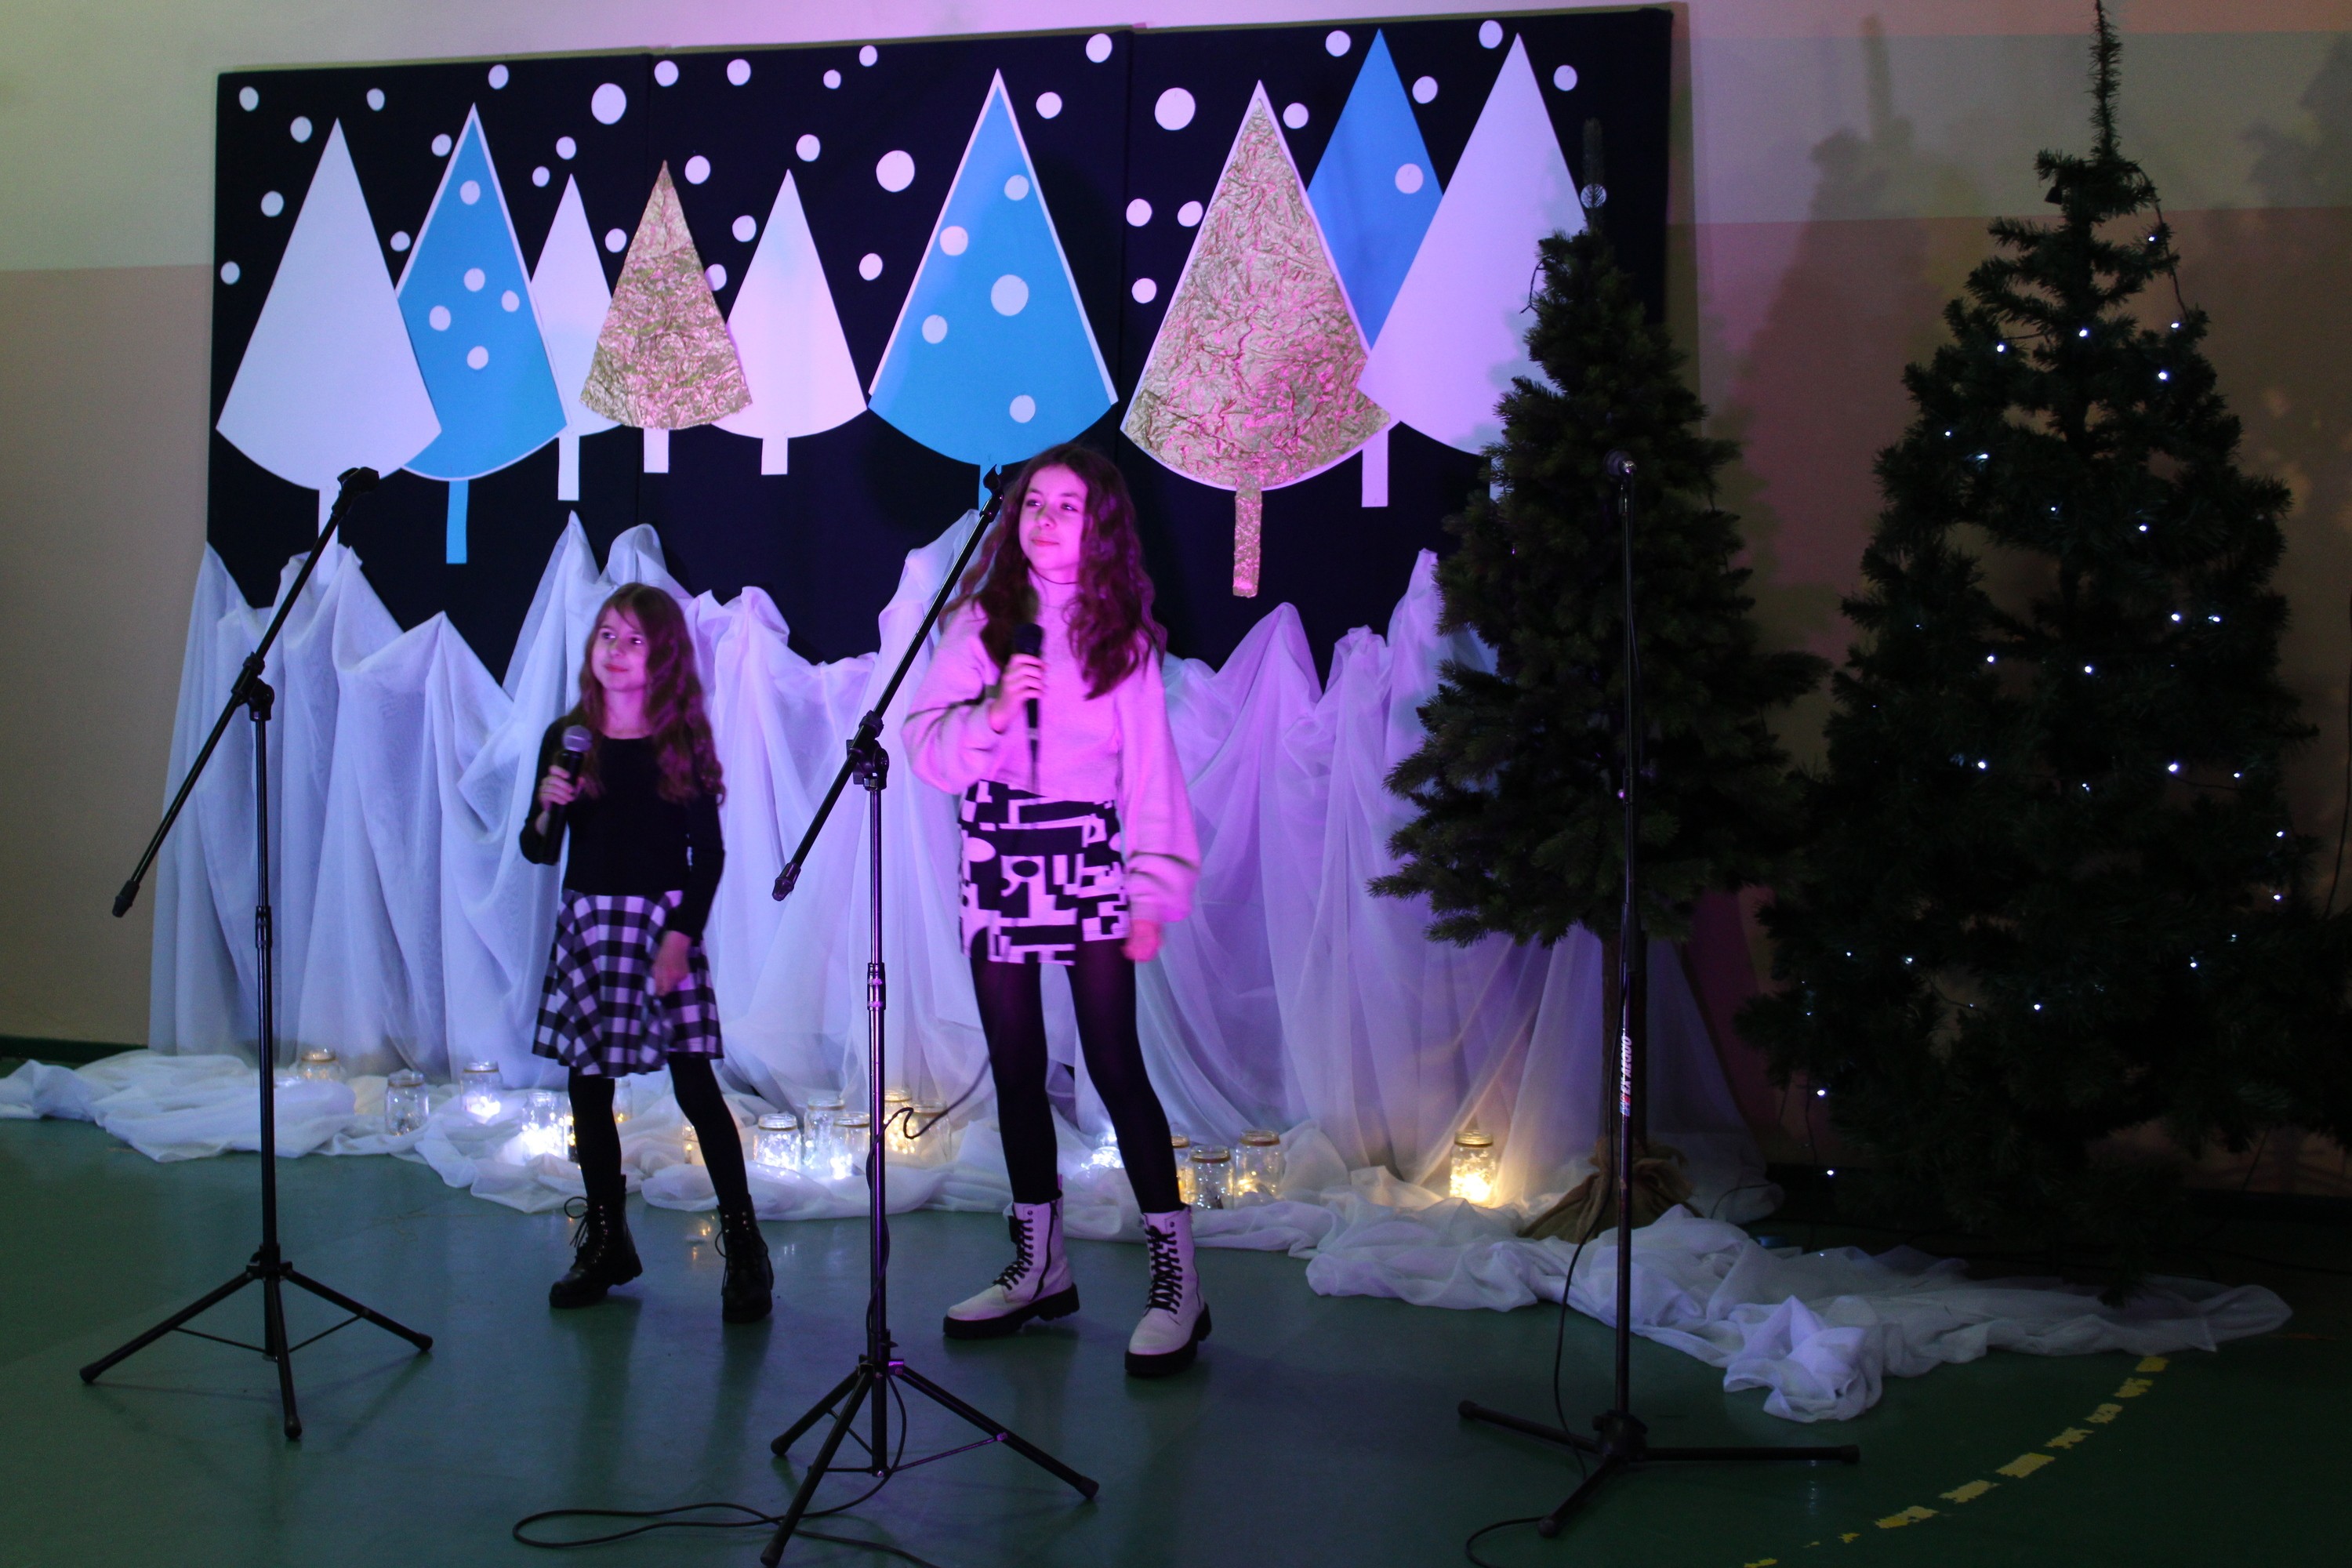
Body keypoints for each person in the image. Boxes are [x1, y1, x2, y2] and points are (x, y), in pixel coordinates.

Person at [903, 445, 1207, 1377]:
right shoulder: (978, 623)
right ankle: (1040, 1264)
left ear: (1101, 524)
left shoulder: (1123, 640)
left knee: (1115, 1063)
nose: (1045, 520)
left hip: (1085, 853)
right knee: (1016, 1065)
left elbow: (1151, 774)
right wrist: (991, 714)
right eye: (1034, 503)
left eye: (1068, 507)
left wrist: (1150, 889)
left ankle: (1179, 1282)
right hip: (999, 844)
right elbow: (922, 743)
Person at [521, 583, 771, 1324]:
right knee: (587, 1087)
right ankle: (606, 1239)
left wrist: (679, 937)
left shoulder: (678, 740)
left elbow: (709, 856)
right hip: (591, 922)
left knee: (694, 1086)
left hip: (663, 925)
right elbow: (539, 851)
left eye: (635, 640)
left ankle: (745, 1245)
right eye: (607, 635)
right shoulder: (569, 737)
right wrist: (548, 807)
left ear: (663, 658)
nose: (617, 651)